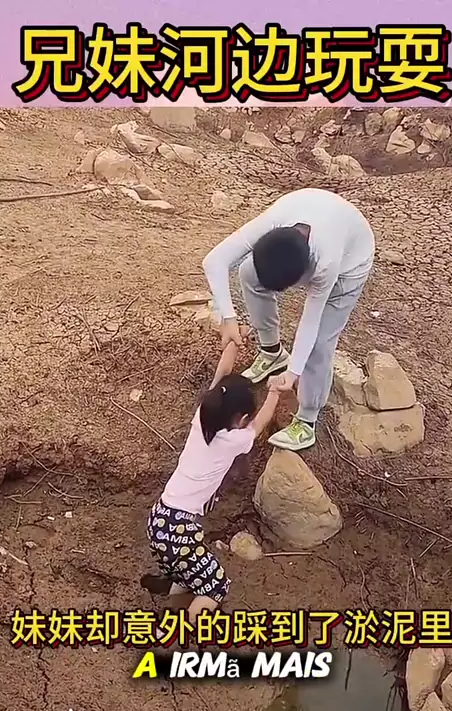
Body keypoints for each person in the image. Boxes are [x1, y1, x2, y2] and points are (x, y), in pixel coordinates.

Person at [202, 188, 375, 452]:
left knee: (320, 342)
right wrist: (228, 318)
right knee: (248, 273)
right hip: (316, 210)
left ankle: (307, 420)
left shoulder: (326, 263)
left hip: (352, 261)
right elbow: (213, 261)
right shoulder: (271, 223)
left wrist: (293, 373)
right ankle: (272, 352)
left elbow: (310, 320)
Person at [141, 329, 280, 628]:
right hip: (179, 530)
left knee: (188, 565)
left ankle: (174, 585)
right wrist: (275, 392)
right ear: (241, 419)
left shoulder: (202, 417)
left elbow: (222, 374)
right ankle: (180, 632)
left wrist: (233, 342)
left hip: (159, 519)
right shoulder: (233, 440)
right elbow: (259, 424)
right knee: (216, 586)